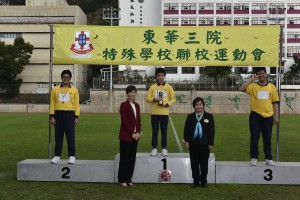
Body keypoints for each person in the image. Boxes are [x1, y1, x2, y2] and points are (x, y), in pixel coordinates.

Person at [239, 67, 279, 166]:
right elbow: (241, 88)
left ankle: (268, 157)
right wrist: (251, 79)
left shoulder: (272, 87)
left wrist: (276, 116)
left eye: (262, 73)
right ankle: (254, 157)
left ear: (266, 74)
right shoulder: (252, 86)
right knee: (254, 137)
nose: (261, 75)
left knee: (267, 137)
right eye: (259, 74)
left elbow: (275, 102)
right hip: (255, 115)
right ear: (256, 75)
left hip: (268, 115)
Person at [183, 97, 215, 188]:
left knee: (204, 164)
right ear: (194, 106)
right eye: (197, 105)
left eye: (200, 104)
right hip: (193, 145)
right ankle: (195, 181)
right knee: (194, 164)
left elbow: (212, 131)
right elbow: (186, 130)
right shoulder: (190, 116)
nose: (199, 106)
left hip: (205, 145)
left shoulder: (209, 116)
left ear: (203, 106)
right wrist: (186, 140)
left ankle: (203, 181)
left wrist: (211, 143)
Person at [49, 69, 80, 164]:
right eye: (64, 77)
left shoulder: (74, 90)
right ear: (61, 78)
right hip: (58, 114)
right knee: (58, 137)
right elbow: (52, 103)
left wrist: (76, 117)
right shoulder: (55, 89)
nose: (65, 79)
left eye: (67, 77)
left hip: (70, 114)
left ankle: (72, 156)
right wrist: (52, 116)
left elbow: (76, 104)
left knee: (70, 136)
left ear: (70, 79)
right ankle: (57, 156)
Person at [146, 68, 176, 157]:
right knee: (154, 131)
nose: (160, 77)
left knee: (164, 131)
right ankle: (154, 148)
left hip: (164, 113)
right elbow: (147, 98)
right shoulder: (152, 87)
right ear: (156, 76)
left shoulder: (169, 87)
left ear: (164, 76)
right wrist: (154, 99)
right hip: (154, 113)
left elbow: (173, 98)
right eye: (158, 75)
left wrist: (167, 104)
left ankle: (164, 148)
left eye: (162, 75)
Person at [118, 85, 141, 187]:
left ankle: (129, 179)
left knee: (132, 159)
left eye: (134, 92)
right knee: (124, 159)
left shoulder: (137, 105)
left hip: (135, 137)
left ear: (136, 93)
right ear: (127, 94)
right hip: (126, 136)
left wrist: (138, 133)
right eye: (130, 92)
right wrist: (132, 133)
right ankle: (122, 179)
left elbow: (138, 120)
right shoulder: (124, 105)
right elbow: (125, 121)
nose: (132, 94)